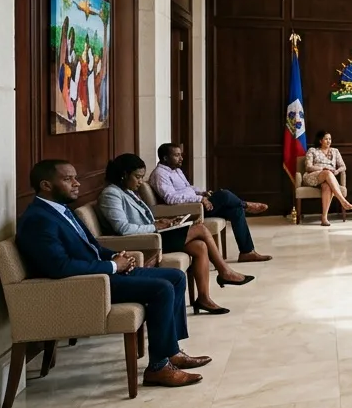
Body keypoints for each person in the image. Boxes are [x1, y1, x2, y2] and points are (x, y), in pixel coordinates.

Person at [16, 159, 210, 387]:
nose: (77, 183)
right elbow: (60, 267)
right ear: (46, 185)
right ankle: (158, 368)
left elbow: (92, 246)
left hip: (101, 274)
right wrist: (112, 267)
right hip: (86, 285)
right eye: (68, 179)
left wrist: (114, 257)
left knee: (175, 277)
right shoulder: (39, 219)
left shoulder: (60, 210)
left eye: (75, 177)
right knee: (161, 288)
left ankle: (171, 351)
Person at [98, 153, 255, 314]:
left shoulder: (126, 190)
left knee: (199, 246)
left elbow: (141, 219)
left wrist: (165, 222)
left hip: (152, 235)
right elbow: (123, 229)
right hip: (142, 242)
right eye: (137, 177)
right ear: (124, 174)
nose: (140, 182)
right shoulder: (111, 194)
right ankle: (224, 272)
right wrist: (154, 227)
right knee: (200, 229)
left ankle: (203, 298)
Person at [149, 143, 272, 262]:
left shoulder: (175, 170)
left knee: (235, 210)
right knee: (224, 195)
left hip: (197, 205)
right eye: (177, 155)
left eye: (181, 155)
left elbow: (188, 189)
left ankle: (247, 252)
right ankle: (246, 205)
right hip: (189, 211)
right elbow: (171, 198)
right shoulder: (160, 174)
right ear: (165, 158)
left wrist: (202, 193)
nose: (181, 158)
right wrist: (200, 199)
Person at [303, 131, 352, 226]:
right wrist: (323, 169)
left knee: (327, 186)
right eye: (326, 139)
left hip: (329, 177)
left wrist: (337, 171)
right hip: (313, 176)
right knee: (327, 172)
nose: (328, 141)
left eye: (330, 139)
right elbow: (308, 167)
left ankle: (324, 218)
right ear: (320, 141)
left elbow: (343, 166)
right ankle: (342, 201)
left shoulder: (335, 151)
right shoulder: (312, 150)